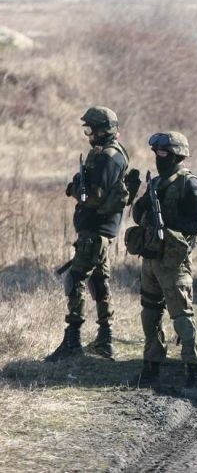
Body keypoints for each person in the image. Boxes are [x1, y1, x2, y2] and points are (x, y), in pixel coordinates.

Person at [47, 106, 131, 362]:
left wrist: (74, 189)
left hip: (95, 229)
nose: (88, 135)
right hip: (100, 230)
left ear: (103, 130)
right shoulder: (112, 153)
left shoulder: (107, 157)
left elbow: (94, 197)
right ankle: (105, 340)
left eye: (90, 129)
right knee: (99, 283)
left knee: (75, 279)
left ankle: (73, 340)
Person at [131, 131, 197, 388]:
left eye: (163, 153)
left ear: (176, 155)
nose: (157, 157)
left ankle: (193, 369)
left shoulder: (189, 183)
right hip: (152, 260)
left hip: (174, 263)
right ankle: (151, 366)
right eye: (156, 153)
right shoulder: (156, 183)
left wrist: (168, 220)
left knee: (182, 316)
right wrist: (142, 208)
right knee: (150, 314)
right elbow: (138, 214)